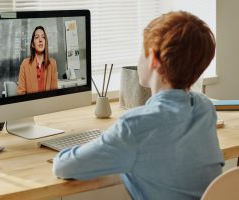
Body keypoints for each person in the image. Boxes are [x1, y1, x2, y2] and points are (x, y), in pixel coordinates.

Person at [53, 11, 224, 200]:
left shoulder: (134, 127)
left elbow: (63, 167)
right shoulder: (204, 107)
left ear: (153, 59)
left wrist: (103, 143)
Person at [17, 26, 58, 95]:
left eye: (43, 37)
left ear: (45, 43)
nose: (40, 40)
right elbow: (21, 93)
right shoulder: (25, 64)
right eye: (37, 37)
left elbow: (55, 93)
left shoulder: (52, 64)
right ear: (33, 44)